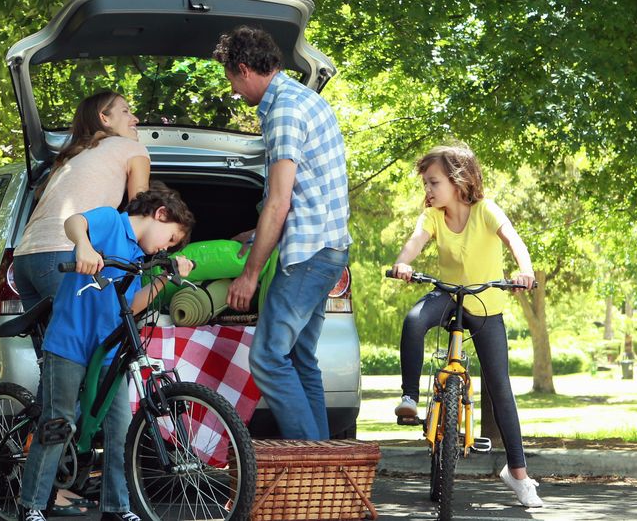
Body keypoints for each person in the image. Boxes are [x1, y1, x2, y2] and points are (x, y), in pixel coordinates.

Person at [19, 188, 196, 521]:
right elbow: (75, 222)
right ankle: (32, 504)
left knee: (120, 427)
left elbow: (129, 306)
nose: (165, 248)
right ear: (160, 214)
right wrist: (84, 246)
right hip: (70, 341)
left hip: (110, 348)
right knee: (59, 421)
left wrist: (164, 281)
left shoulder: (138, 258)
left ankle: (116, 507)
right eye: (170, 239)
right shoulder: (111, 222)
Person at [214, 26, 352, 441]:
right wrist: (252, 234)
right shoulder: (305, 99)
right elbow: (301, 194)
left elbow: (280, 200)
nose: (234, 91)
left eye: (231, 81)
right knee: (301, 359)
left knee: (269, 359)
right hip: (329, 250)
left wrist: (250, 273)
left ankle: (312, 463)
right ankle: (325, 467)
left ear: (243, 68)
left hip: (308, 255)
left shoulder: (284, 111)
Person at [389, 145, 543, 508]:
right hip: (449, 296)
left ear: (458, 180)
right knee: (414, 320)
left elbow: (514, 240)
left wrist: (526, 272)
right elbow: (415, 241)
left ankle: (518, 475)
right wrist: (403, 263)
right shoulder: (432, 217)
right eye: (426, 183)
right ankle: (410, 398)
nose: (428, 190)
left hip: (486, 303)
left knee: (501, 388)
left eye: (433, 182)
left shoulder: (486, 211)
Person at [13, 90, 150, 312]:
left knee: (55, 343)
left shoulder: (74, 156)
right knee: (90, 340)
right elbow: (141, 208)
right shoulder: (132, 148)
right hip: (64, 252)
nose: (135, 119)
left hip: (24, 258)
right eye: (125, 111)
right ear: (104, 118)